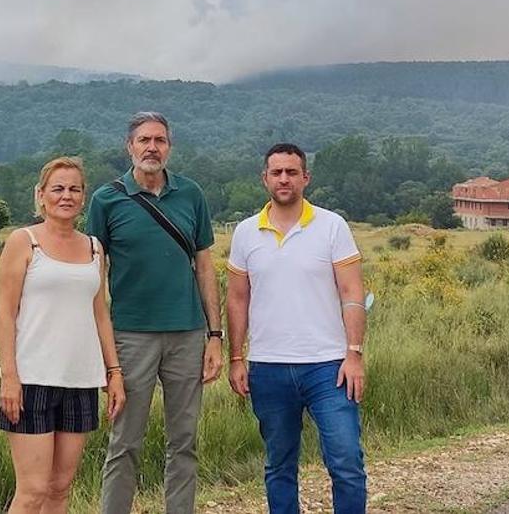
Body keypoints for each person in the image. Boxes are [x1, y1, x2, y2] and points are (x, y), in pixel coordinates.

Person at [86, 111, 222, 514]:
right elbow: (95, 271)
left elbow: (204, 265)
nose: (152, 147)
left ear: (169, 146)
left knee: (184, 441)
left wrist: (215, 336)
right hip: (131, 336)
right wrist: (102, 344)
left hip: (187, 333)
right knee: (124, 441)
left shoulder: (191, 193)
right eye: (144, 140)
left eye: (159, 140)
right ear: (129, 146)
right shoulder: (106, 199)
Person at [226, 143, 368, 514]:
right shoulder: (245, 233)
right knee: (278, 466)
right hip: (269, 367)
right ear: (265, 179)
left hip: (329, 367)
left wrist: (354, 353)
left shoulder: (332, 225)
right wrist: (236, 358)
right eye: (277, 172)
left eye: (292, 172)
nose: (284, 179)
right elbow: (238, 298)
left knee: (346, 462)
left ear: (306, 177)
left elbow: (352, 291)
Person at [0, 156, 126, 513]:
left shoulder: (95, 248)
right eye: (58, 189)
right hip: (31, 379)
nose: (65, 196)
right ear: (41, 195)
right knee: (33, 490)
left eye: (74, 189)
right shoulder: (23, 241)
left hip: (80, 379)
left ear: (83, 197)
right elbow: (6, 313)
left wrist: (113, 373)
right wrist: (9, 376)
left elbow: (100, 314)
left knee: (60, 488)